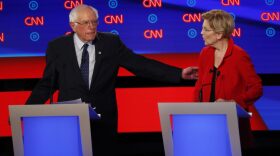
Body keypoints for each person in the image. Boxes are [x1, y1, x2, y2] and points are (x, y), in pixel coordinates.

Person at [26, 4, 197, 156]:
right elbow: (48, 82)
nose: (91, 27)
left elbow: (141, 65)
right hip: (70, 120)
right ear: (73, 25)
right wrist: (27, 111)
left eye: (94, 22)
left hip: (103, 121)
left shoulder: (110, 43)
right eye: (86, 23)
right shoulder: (58, 46)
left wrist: (179, 73)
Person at [193, 9, 266, 150]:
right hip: (208, 125)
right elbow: (199, 87)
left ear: (219, 34)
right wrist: (194, 116)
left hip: (233, 127)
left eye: (205, 29)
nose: (201, 33)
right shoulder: (205, 54)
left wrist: (233, 102)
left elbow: (256, 88)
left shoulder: (239, 56)